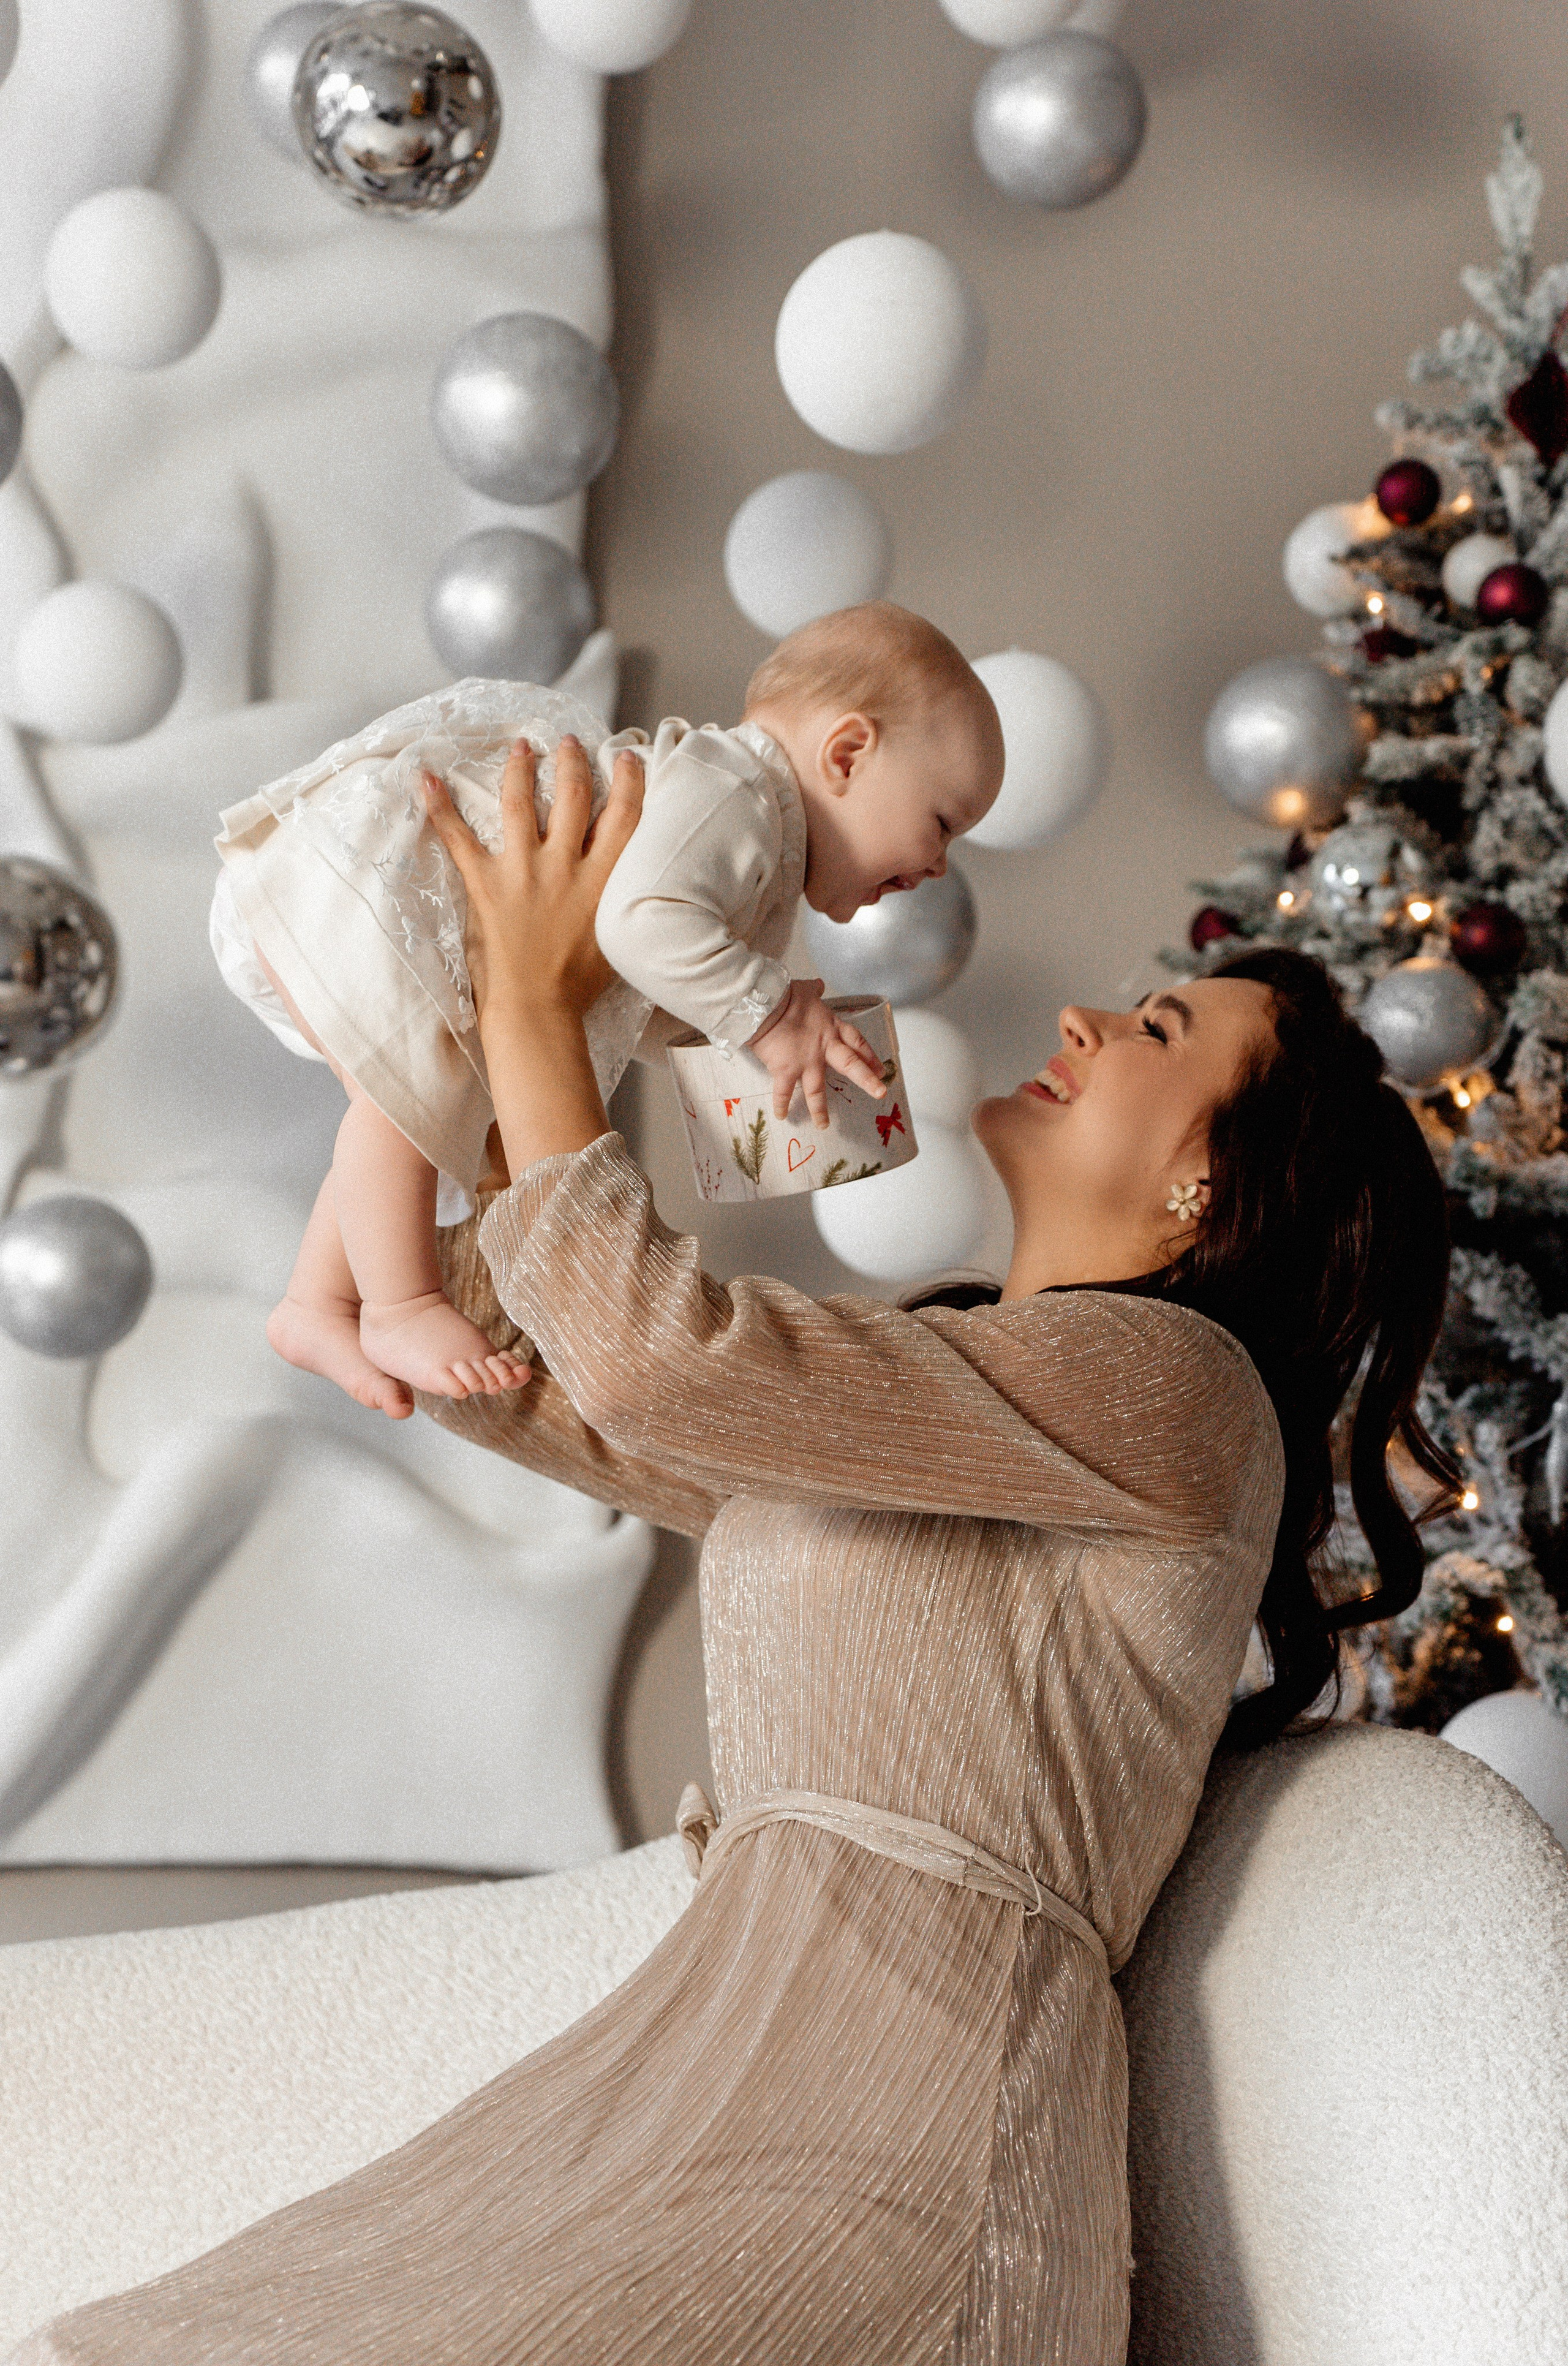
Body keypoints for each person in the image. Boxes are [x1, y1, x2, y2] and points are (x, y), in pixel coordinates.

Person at [17, 742, 1458, 2366]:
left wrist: (538, 1011)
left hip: (908, 2149)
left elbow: (658, 1364)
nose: (1082, 1019)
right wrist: (498, 1021)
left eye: (1157, 1029)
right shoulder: (952, 1381)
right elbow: (538, 1378)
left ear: (1207, 1181)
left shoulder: (1181, 1391)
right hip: (707, 2088)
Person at [207, 602, 1003, 1415]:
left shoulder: (761, 849)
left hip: (424, 913)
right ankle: (398, 1305)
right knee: (407, 1099)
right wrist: (769, 1015)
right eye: (943, 824)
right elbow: (639, 924)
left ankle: (317, 1301)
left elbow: (638, 989)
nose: (940, 866)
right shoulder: (740, 794)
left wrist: (748, 1040)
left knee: (417, 1102)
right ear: (847, 754)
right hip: (380, 879)